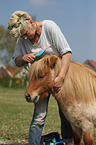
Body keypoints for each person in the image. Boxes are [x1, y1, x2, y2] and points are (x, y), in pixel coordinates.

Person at [8, 11, 73, 145]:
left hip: (58, 78)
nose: (24, 38)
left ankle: (69, 142)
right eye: (22, 36)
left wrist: (60, 77)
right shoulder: (22, 39)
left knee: (65, 114)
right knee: (39, 116)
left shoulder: (50, 27)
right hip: (39, 83)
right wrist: (23, 58)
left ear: (31, 23)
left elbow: (66, 52)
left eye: (25, 34)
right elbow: (16, 60)